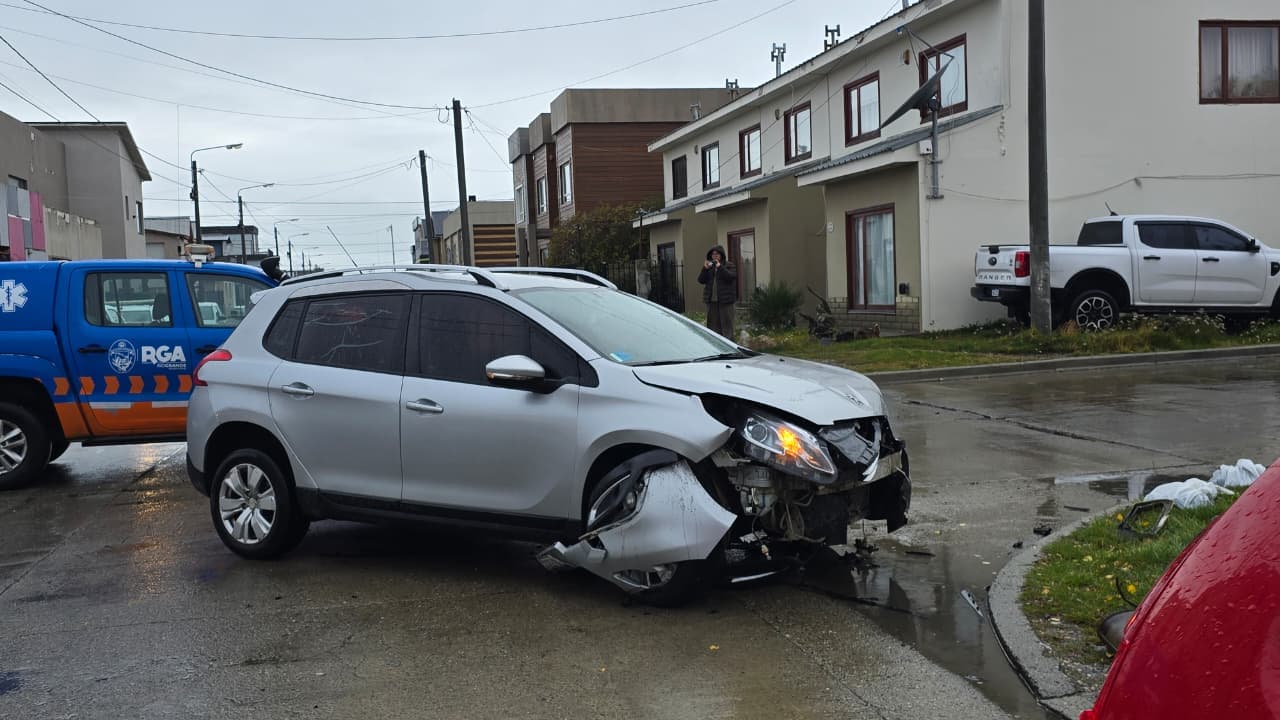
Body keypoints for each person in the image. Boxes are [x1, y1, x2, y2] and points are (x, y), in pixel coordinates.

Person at [697, 245, 737, 338]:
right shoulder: (709, 267)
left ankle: (728, 343)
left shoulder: (729, 265)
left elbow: (730, 277)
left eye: (717, 254)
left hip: (725, 301)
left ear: (721, 255)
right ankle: (715, 343)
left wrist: (720, 267)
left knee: (727, 325)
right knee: (713, 326)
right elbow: (701, 280)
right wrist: (704, 269)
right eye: (713, 254)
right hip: (712, 301)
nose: (715, 256)